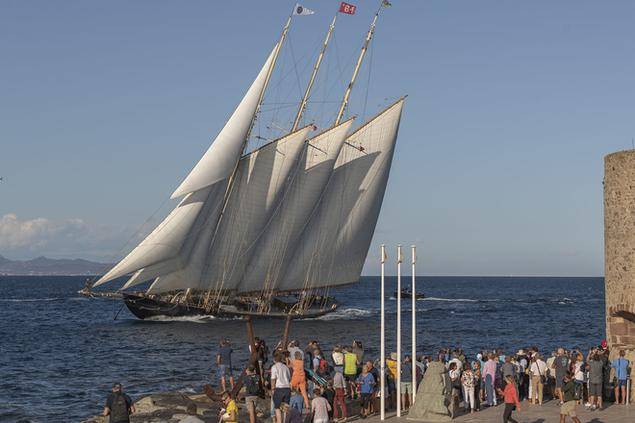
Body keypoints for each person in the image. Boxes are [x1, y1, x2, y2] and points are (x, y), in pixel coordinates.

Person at [271, 352, 292, 423]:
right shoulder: (286, 367)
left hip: (279, 389)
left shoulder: (274, 367)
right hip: (287, 388)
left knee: (277, 408)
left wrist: (273, 389)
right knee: (286, 408)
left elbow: (273, 379)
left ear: (274, 360)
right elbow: (289, 378)